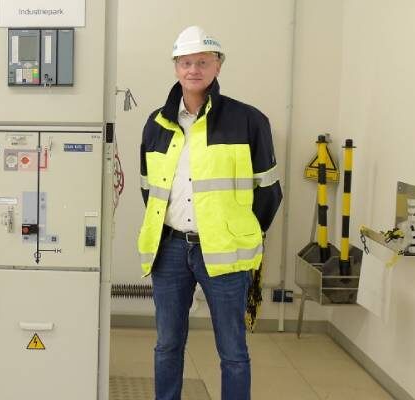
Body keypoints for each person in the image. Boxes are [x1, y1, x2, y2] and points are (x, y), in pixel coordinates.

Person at [137, 26, 282, 400]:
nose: (193, 70)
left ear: (217, 66)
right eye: (186, 62)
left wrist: (240, 229)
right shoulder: (156, 123)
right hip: (169, 250)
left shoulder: (249, 121)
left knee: (233, 352)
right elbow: (148, 189)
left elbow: (269, 192)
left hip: (224, 251)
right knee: (167, 345)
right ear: (175, 68)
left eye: (202, 62)